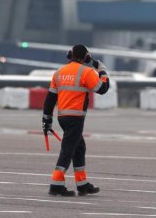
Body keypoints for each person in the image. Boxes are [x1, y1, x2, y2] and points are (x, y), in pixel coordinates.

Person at [42, 44, 110, 196]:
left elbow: (50, 98)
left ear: (70, 55)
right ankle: (56, 184)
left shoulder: (59, 72)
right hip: (75, 118)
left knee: (79, 148)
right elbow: (103, 89)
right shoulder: (87, 72)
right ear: (86, 57)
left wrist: (46, 119)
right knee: (68, 150)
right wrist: (102, 71)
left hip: (62, 117)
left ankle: (82, 184)